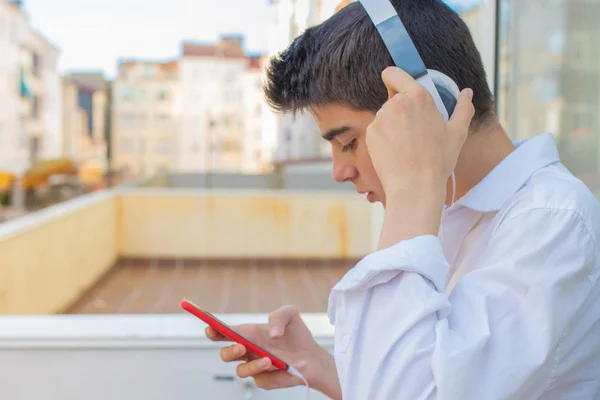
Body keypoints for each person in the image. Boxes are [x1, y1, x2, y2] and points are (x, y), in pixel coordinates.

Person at [207, 1, 600, 398]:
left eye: (348, 142)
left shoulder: (550, 223)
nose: (339, 171)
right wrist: (323, 368)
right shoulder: (444, 211)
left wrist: (413, 192)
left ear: (432, 105)